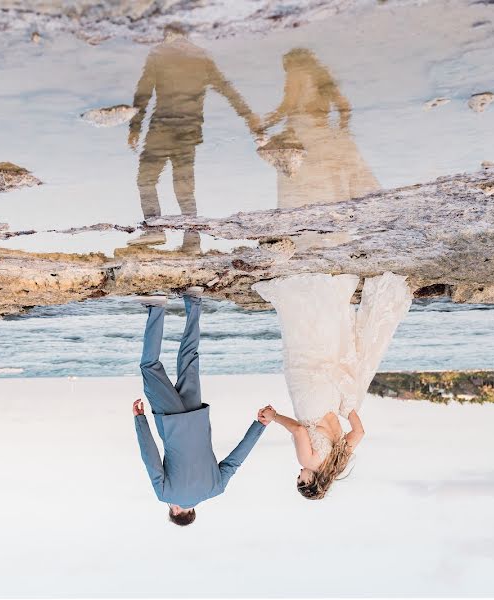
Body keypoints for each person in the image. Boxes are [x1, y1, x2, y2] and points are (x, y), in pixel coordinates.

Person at [251, 272, 412, 499]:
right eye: (300, 479)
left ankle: (328, 298)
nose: (299, 473)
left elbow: (359, 431)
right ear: (311, 481)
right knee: (300, 352)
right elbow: (298, 430)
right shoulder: (309, 461)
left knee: (321, 351)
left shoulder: (340, 459)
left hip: (331, 400)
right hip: (309, 403)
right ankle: (306, 296)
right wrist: (274, 416)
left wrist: (348, 409)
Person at [131, 286, 272, 525]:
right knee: (149, 366)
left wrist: (260, 424)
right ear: (175, 510)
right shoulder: (167, 495)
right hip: (171, 420)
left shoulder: (216, 488)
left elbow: (237, 458)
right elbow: (150, 457)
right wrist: (140, 420)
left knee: (189, 357)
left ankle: (194, 300)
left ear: (193, 511)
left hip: (197, 417)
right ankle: (156, 307)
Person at [127, 24, 262, 252]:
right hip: (190, 130)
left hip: (162, 128)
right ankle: (192, 242)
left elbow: (143, 93)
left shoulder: (159, 54)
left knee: (146, 180)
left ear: (167, 33)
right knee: (184, 186)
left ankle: (154, 231)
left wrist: (134, 128)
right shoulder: (201, 56)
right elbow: (228, 91)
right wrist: (252, 121)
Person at [257, 48, 380, 209]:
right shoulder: (323, 75)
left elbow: (287, 105)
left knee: (298, 179)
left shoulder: (295, 72)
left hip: (301, 130)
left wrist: (264, 124)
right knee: (323, 177)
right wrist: (340, 131)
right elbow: (345, 107)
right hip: (322, 131)